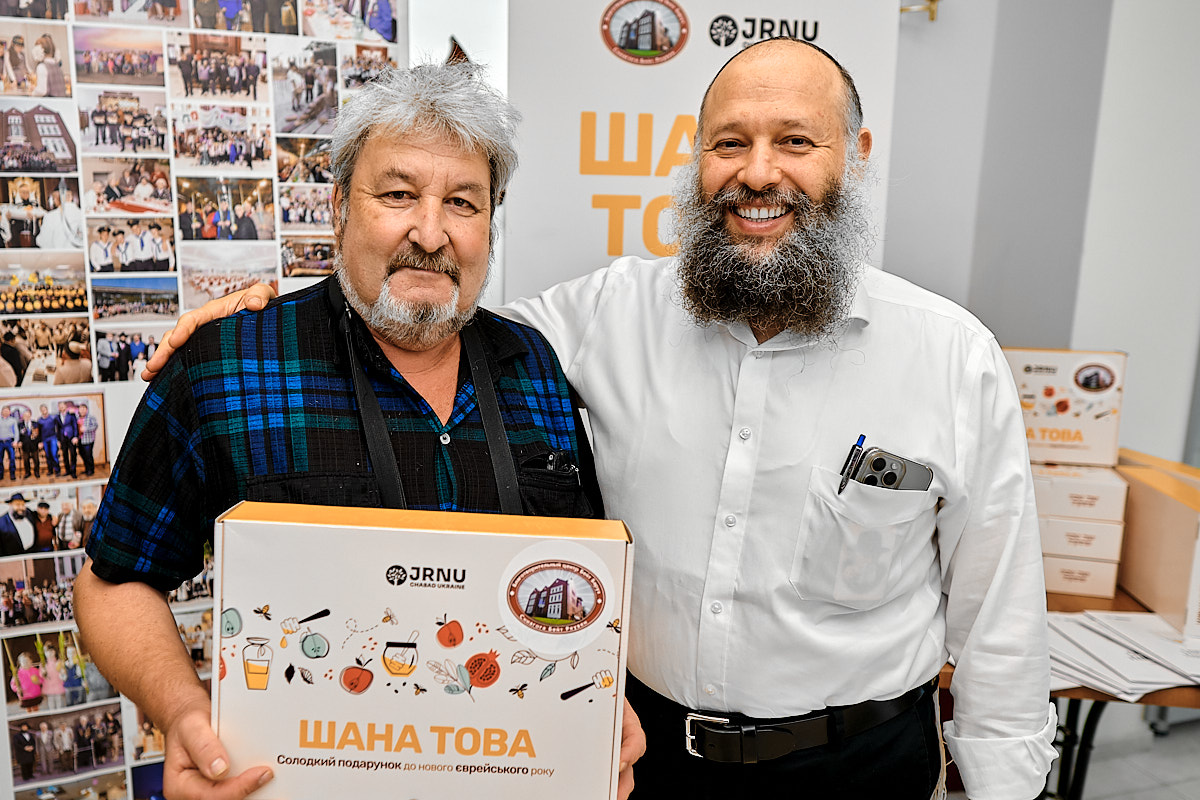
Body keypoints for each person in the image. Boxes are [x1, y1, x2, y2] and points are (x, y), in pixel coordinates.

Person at [164, 41, 1057, 799]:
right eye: (730, 143)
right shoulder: (605, 316)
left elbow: (999, 623)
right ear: (697, 159)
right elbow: (429, 309)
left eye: (795, 141)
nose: (757, 173)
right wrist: (265, 316)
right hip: (640, 759)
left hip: (859, 766)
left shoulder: (951, 357)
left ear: (855, 156)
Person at [75, 61, 631, 800]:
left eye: (462, 202)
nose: (429, 233)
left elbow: (579, 583)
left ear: (491, 223)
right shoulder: (225, 365)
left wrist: (598, 704)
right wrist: (182, 712)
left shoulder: (533, 363)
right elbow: (112, 584)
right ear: (338, 207)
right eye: (398, 194)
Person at [18, 410, 40, 479]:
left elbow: (39, 434)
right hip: (25, 445)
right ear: (23, 417)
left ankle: (36, 472)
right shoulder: (20, 425)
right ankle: (27, 472)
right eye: (25, 416)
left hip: (34, 444)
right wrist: (19, 441)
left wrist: (40, 442)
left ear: (30, 416)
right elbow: (18, 435)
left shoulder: (35, 423)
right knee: (26, 460)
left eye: (28, 415)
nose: (26, 417)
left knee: (36, 459)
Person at [0, 405, 18, 480]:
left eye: (7, 410)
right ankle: (0, 474)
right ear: (1, 411)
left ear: (9, 412)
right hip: (0, 442)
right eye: (4, 410)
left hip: (9, 442)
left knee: (12, 459)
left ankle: (12, 474)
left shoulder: (13, 420)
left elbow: (16, 431)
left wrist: (16, 441)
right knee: (0, 460)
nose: (5, 412)